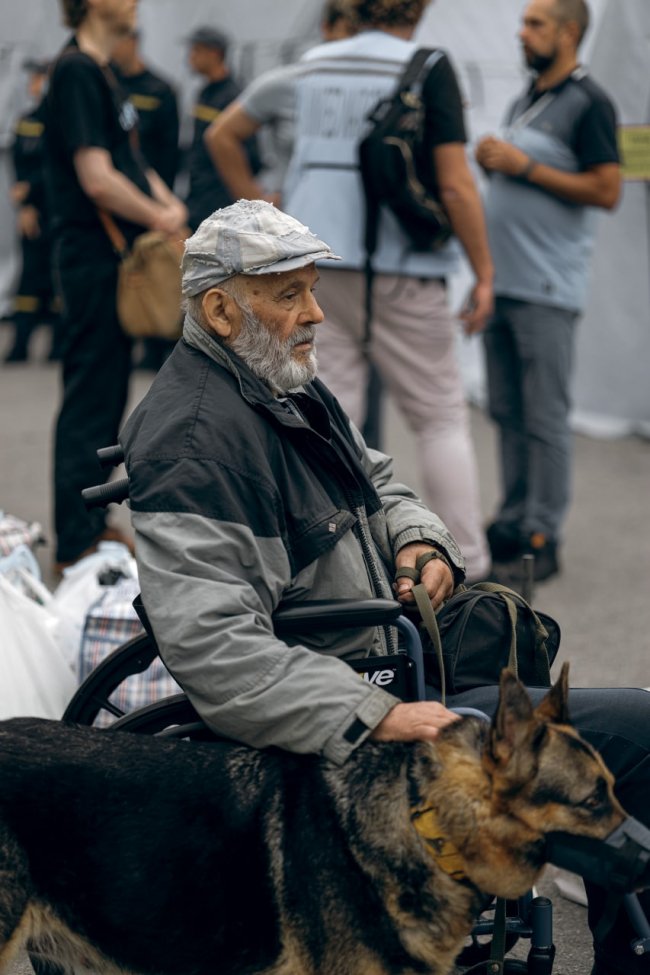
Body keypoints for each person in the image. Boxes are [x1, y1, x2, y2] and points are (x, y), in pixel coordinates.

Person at [120, 199, 649, 975]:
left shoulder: (278, 383)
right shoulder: (201, 441)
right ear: (222, 309)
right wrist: (376, 713)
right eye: (290, 294)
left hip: (386, 660)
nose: (316, 313)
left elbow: (381, 482)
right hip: (354, 701)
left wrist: (419, 538)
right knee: (635, 732)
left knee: (593, 708)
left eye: (311, 288)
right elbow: (214, 648)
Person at [205, 0, 493, 582]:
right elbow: (457, 186)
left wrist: (260, 204)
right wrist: (484, 271)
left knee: (333, 411)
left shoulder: (312, 65)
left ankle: (344, 559)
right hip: (404, 267)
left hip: (312, 267)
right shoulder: (427, 65)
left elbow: (223, 134)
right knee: (438, 415)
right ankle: (465, 562)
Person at [475, 0, 621, 583]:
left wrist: (523, 167)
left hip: (546, 287)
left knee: (545, 414)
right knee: (507, 410)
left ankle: (544, 530)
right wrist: (497, 164)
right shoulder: (528, 98)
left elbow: (607, 189)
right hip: (504, 283)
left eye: (535, 23)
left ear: (568, 32)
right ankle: (512, 518)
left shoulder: (590, 103)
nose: (522, 31)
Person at [44, 0, 188, 573]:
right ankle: (76, 536)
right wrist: (159, 218)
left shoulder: (103, 71)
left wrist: (168, 207)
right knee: (91, 396)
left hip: (112, 256)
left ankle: (89, 524)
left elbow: (131, 163)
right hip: (92, 257)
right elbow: (97, 178)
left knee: (105, 394)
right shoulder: (78, 70)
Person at [111, 27, 181, 371]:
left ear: (133, 41)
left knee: (159, 272)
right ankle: (133, 336)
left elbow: (168, 152)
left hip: (152, 199)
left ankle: (160, 343)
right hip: (116, 200)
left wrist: (163, 205)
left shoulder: (161, 89)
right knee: (128, 274)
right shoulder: (112, 86)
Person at [5, 59, 60, 364]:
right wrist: (24, 204)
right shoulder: (25, 120)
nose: (34, 83)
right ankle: (20, 346)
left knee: (57, 280)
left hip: (57, 211)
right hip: (33, 215)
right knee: (28, 279)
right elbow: (19, 164)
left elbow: (56, 169)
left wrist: (33, 188)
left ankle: (58, 348)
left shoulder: (62, 121)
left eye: (40, 77)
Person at [183, 25, 261, 232]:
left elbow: (251, 156)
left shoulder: (236, 97)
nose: (190, 57)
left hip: (224, 205)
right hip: (198, 199)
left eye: (196, 50)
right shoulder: (204, 93)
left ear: (214, 53)